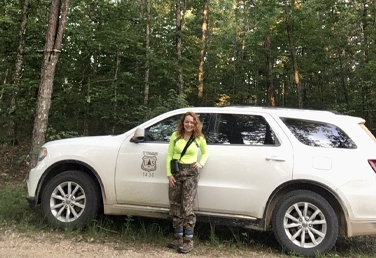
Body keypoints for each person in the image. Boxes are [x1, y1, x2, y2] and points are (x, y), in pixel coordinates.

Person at [166, 111, 208, 254]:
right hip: (176, 172)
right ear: (183, 123)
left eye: (192, 122)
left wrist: (200, 163)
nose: (189, 124)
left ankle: (188, 241)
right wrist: (169, 174)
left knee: (187, 206)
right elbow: (169, 155)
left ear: (195, 124)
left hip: (190, 173)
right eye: (187, 122)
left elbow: (205, 153)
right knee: (175, 204)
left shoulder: (199, 138)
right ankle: (177, 237)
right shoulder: (175, 136)